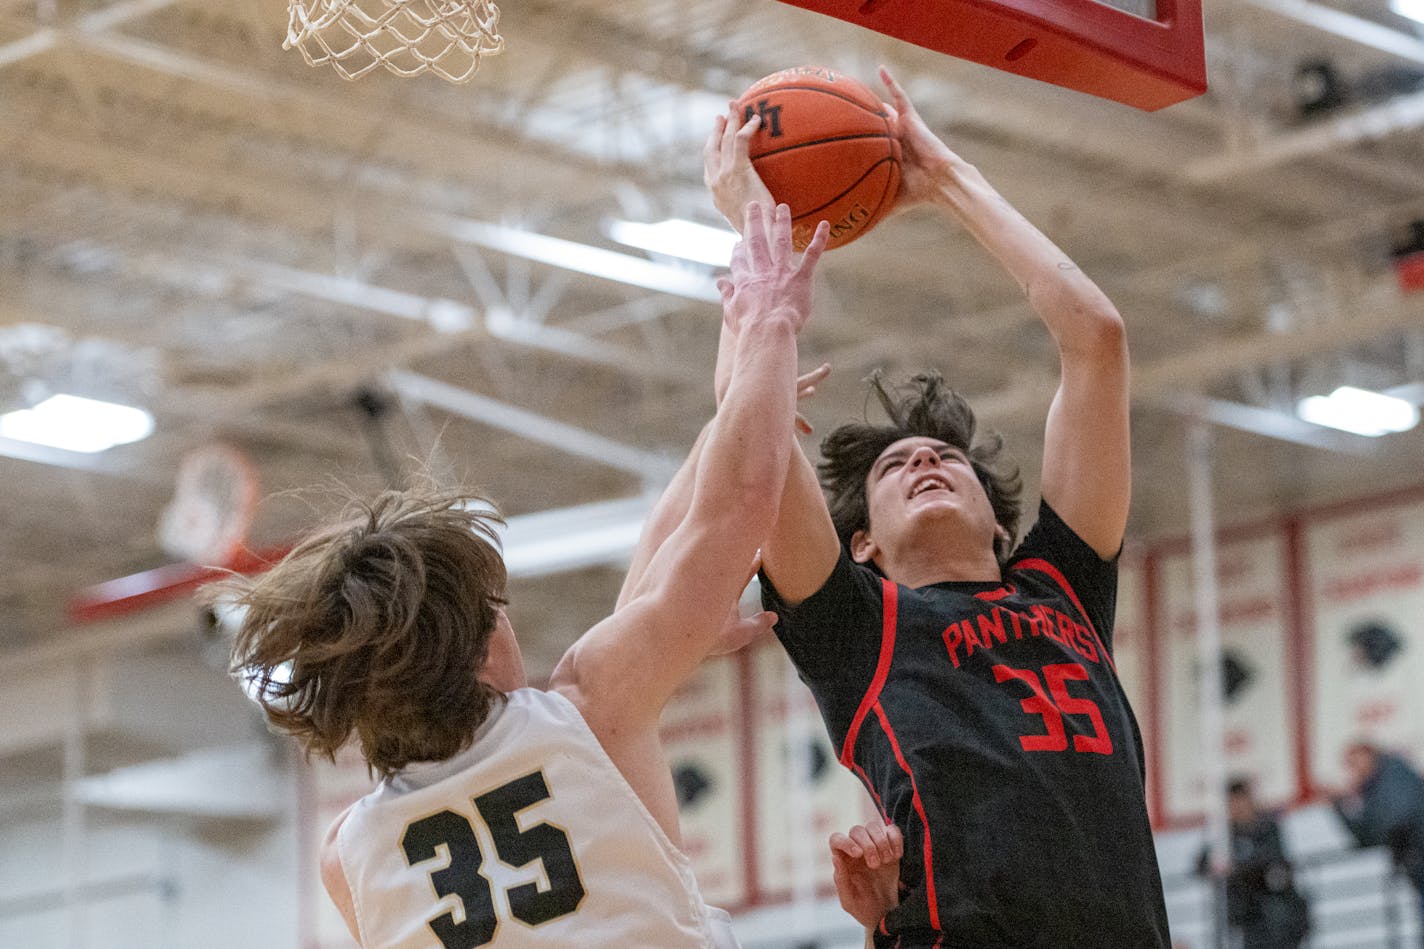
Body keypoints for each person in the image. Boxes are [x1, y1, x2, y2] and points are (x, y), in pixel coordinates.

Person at [218, 203, 830, 948]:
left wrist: (735, 412)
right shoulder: (594, 704)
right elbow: (734, 507)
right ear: (480, 644)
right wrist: (770, 324)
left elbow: (644, 602)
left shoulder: (347, 855)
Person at [704, 66, 1169, 947]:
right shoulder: (855, 624)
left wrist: (944, 178)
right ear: (864, 545)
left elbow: (1096, 340)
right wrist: (753, 237)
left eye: (945, 455)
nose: (923, 456)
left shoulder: (1063, 589)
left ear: (1002, 524)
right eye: (894, 469)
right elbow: (751, 459)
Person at [1197, 778, 1310, 949]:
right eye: (1232, 802)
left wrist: (1234, 867)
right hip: (1246, 916)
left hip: (1274, 911)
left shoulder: (1268, 828)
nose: (1237, 807)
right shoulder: (1224, 835)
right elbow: (1201, 863)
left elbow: (1270, 861)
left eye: (1240, 801)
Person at [1333, 741, 1424, 940]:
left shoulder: (1394, 774)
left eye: (1356, 761)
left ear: (1370, 755)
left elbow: (1394, 821)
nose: (1354, 769)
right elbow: (1367, 839)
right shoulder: (1372, 789)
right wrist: (1340, 807)